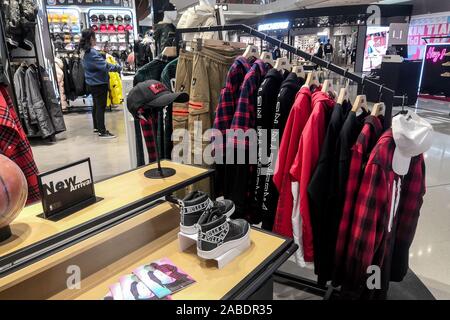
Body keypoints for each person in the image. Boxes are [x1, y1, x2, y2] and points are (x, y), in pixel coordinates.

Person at [79, 29, 121, 139]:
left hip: (92, 82)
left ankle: (97, 127)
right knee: (100, 106)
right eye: (95, 37)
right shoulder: (91, 52)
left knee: (96, 105)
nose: (96, 40)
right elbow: (104, 65)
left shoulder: (84, 51)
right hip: (98, 82)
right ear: (91, 38)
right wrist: (117, 68)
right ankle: (102, 131)